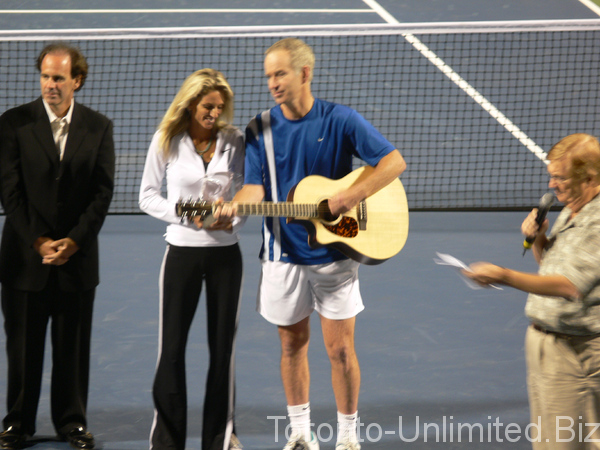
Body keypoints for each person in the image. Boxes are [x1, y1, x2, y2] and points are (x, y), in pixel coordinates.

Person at [215, 38, 406, 450]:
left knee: (339, 349)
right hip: (282, 255)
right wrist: (233, 208)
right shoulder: (258, 129)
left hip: (335, 254)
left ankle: (349, 437)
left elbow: (393, 162)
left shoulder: (341, 120)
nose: (272, 83)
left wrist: (349, 197)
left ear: (305, 73)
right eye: (268, 75)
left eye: (280, 73)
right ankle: (301, 433)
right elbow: (253, 189)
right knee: (291, 343)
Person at [0, 43, 115, 450]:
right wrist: (39, 240)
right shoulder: (13, 124)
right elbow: (9, 193)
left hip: (76, 261)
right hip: (24, 261)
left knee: (72, 348)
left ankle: (72, 423)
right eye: (46, 76)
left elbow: (102, 194)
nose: (50, 84)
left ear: (76, 81)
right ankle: (17, 424)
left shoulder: (99, 128)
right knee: (22, 349)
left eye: (59, 78)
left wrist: (75, 241)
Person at [463, 133, 600, 448]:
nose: (552, 185)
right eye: (551, 176)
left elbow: (568, 286)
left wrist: (504, 276)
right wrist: (540, 239)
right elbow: (550, 267)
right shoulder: (575, 204)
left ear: (589, 178)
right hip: (546, 347)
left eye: (559, 178)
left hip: (575, 355)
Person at [139, 68, 245, 450]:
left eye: (220, 107)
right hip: (181, 254)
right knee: (171, 350)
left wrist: (235, 217)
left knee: (223, 351)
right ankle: (167, 440)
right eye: (207, 106)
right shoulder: (166, 140)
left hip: (225, 258)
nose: (214, 113)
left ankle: (220, 437)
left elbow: (248, 193)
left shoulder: (234, 141)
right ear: (190, 103)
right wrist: (187, 214)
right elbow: (147, 196)